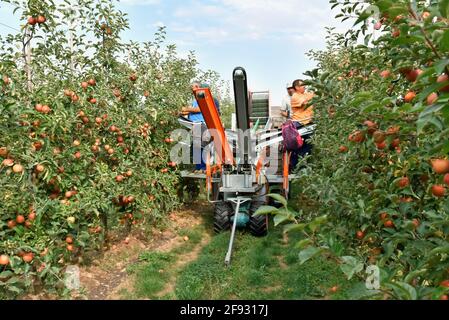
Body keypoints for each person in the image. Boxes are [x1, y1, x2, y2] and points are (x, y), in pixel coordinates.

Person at [181, 83, 221, 172]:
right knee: (196, 146)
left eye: (197, 88)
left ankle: (203, 167)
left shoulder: (208, 98)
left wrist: (186, 109)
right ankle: (199, 167)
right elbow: (195, 111)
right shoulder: (196, 100)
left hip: (203, 124)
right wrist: (183, 112)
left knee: (202, 145)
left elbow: (201, 109)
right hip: (195, 125)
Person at [288, 79, 315, 171]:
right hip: (299, 123)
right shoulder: (295, 96)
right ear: (297, 87)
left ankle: (302, 166)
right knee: (299, 146)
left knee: (309, 145)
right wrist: (312, 96)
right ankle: (295, 167)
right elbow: (305, 103)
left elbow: (316, 96)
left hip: (308, 123)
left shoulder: (306, 94)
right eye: (303, 85)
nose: (305, 86)